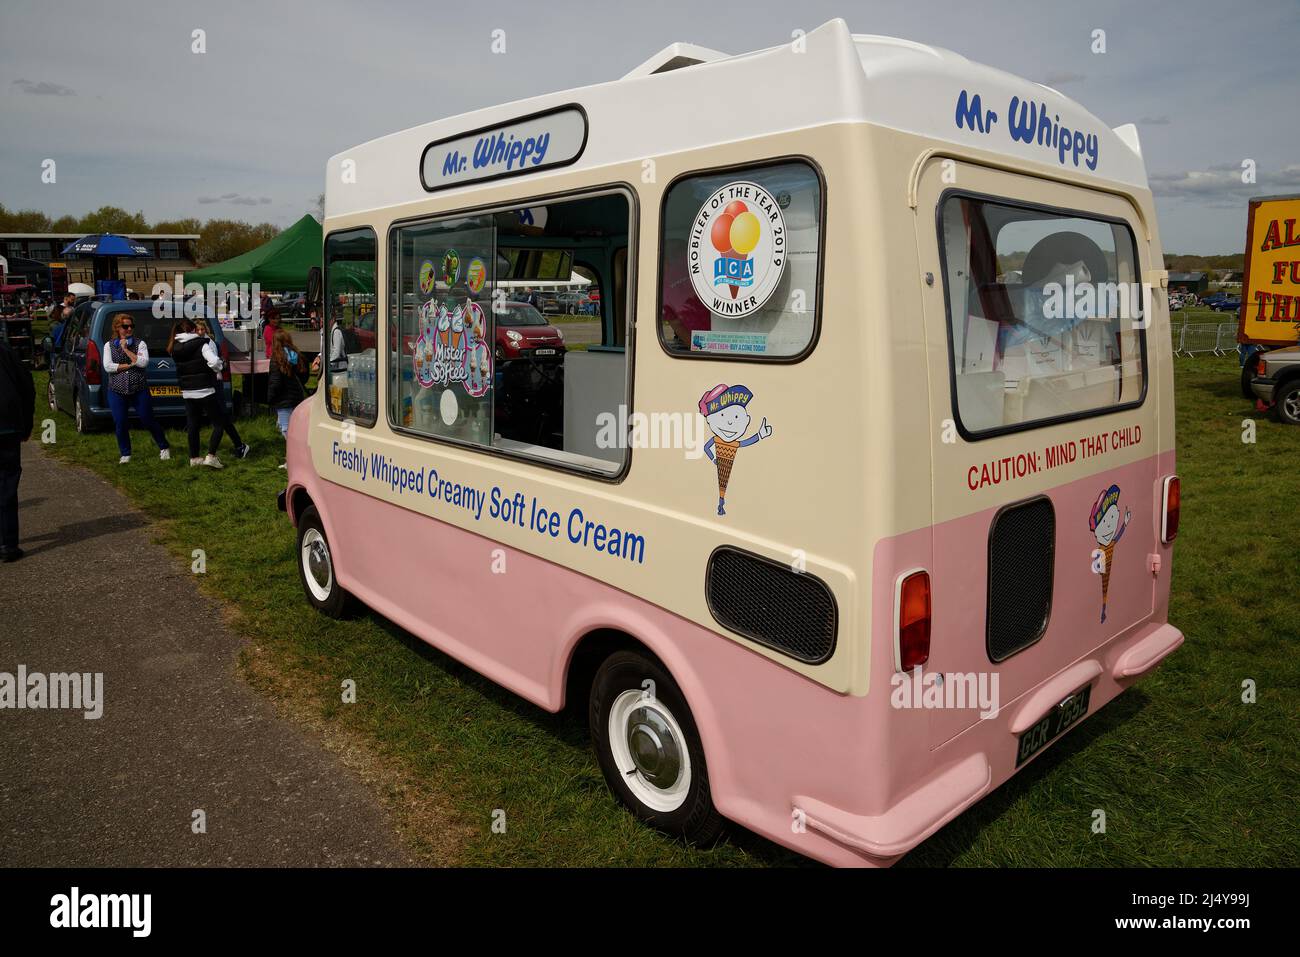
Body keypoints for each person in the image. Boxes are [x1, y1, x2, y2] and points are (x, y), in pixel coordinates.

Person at [167, 318, 248, 469]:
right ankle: (211, 455)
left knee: (193, 425)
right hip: (204, 389)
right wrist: (220, 366)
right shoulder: (202, 344)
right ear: (192, 330)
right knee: (218, 424)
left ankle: (194, 458)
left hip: (187, 391)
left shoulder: (175, 346)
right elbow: (214, 362)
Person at [103, 313, 171, 464]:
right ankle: (125, 453)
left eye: (131, 326)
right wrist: (127, 365)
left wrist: (126, 350)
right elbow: (108, 366)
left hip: (138, 388)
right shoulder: (108, 345)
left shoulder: (140, 344)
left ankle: (164, 446)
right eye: (125, 326)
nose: (128, 329)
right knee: (120, 422)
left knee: (147, 419)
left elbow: (143, 363)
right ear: (117, 328)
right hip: (117, 390)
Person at [0, 339, 35, 562]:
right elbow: (27, 386)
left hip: (8, 425)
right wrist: (26, 424)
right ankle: (8, 544)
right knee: (6, 484)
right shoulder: (5, 350)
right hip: (8, 425)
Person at [267, 328, 313, 469]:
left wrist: (270, 398)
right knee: (298, 429)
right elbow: (305, 374)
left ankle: (293, 460)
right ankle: (301, 457)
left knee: (286, 430)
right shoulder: (297, 355)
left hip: (283, 399)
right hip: (297, 396)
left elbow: (275, 382)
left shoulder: (277, 359)